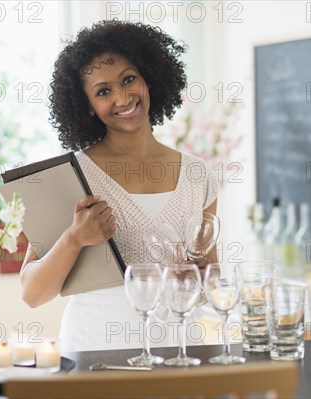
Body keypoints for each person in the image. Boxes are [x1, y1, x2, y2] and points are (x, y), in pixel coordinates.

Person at [19, 20, 218, 352]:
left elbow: (208, 282)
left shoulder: (199, 175)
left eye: (129, 79)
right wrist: (74, 238)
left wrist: (196, 279)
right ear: (87, 107)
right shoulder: (70, 175)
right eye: (103, 91)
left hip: (179, 350)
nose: (123, 97)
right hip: (95, 349)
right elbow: (32, 293)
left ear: (148, 79)